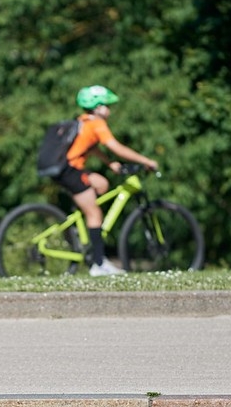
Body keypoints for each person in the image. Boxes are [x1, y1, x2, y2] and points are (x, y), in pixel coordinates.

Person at [56, 85, 158, 276]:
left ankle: (85, 235)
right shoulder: (97, 124)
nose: (109, 110)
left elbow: (92, 148)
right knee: (95, 213)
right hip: (71, 171)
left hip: (65, 170)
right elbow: (116, 147)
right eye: (107, 105)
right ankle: (99, 263)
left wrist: (110, 163)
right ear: (98, 107)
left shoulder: (83, 122)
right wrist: (146, 161)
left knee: (102, 184)